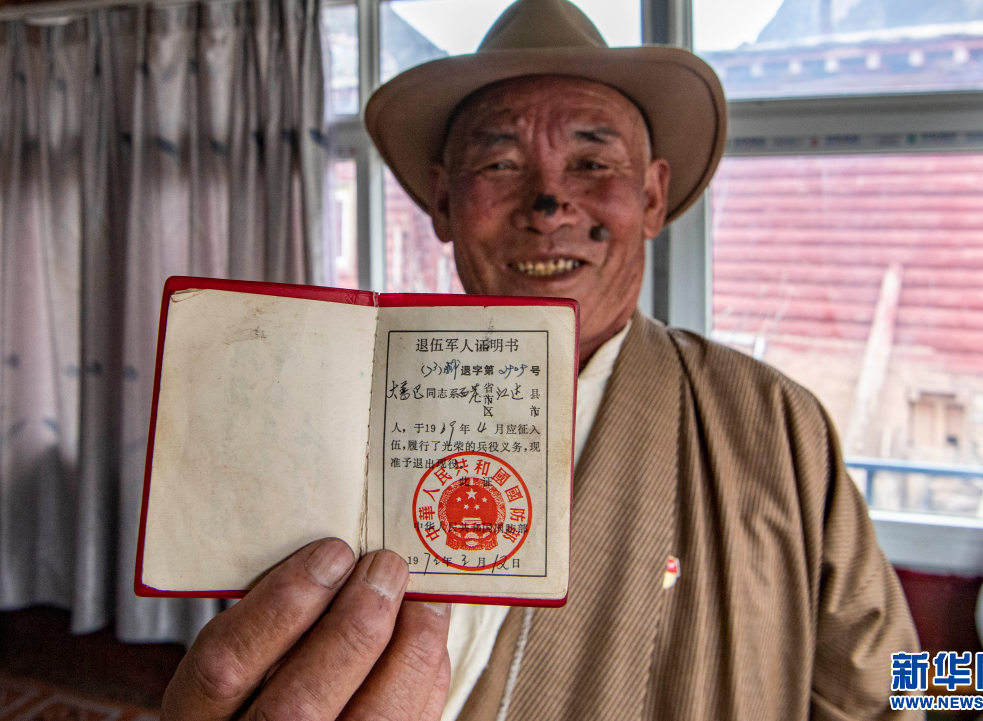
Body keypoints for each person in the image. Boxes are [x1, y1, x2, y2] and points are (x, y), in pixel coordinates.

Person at [161, 1, 922, 719]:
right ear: (443, 203)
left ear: (652, 197)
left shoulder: (777, 425)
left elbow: (907, 683)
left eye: (592, 162)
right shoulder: (338, 411)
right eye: (499, 164)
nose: (549, 203)